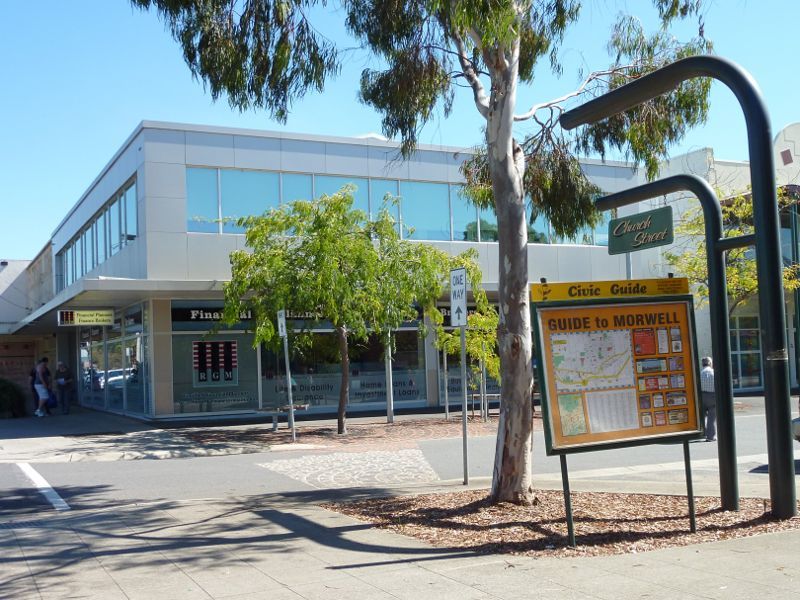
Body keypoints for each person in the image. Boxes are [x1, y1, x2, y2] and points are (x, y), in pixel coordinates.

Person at [700, 356, 716, 442]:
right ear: (710, 363)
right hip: (712, 396)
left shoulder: (700, 373)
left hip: (701, 396)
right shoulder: (713, 373)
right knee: (711, 418)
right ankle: (710, 436)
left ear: (702, 364)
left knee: (702, 417)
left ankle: (702, 433)